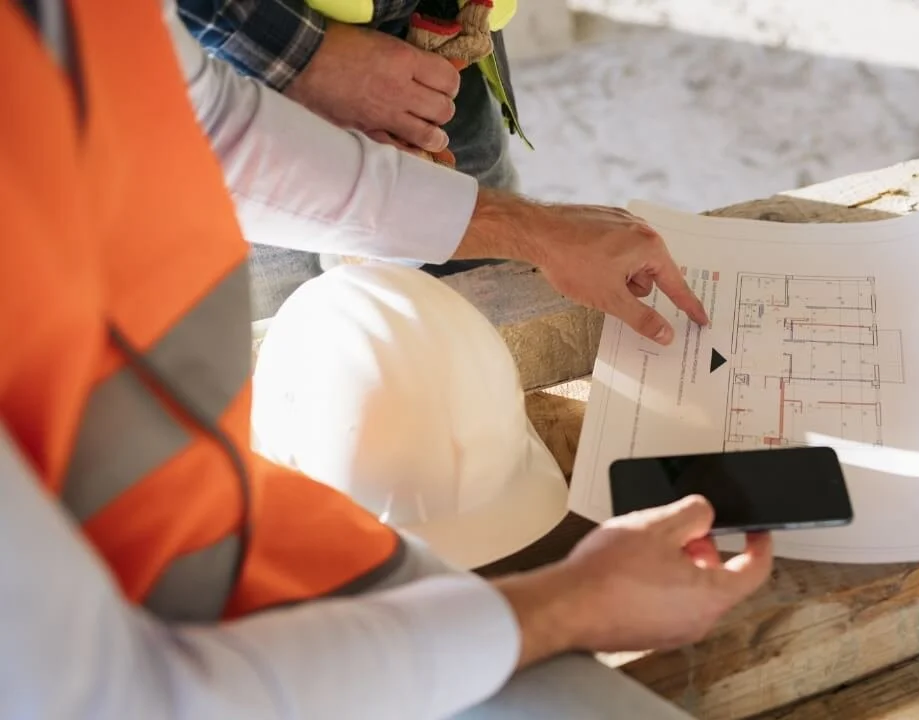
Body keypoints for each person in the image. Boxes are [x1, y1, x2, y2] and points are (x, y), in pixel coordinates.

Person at [0, 0, 774, 718]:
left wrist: (528, 228)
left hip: (243, 532)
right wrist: (572, 604)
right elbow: (124, 696)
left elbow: (205, 120)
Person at [177, 0, 528, 317]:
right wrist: (308, 57)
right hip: (246, 74)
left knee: (492, 310)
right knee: (291, 340)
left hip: (441, 56)